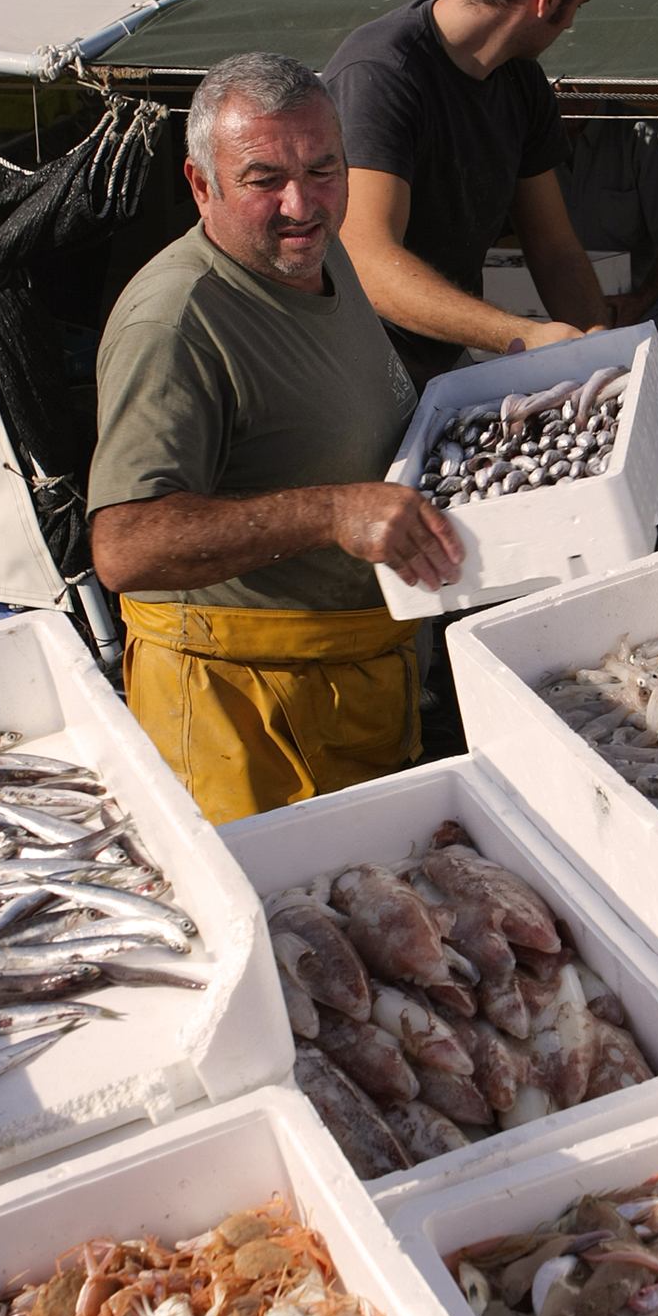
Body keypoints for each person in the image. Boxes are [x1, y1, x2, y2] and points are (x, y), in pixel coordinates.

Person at [87, 53, 462, 823]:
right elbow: (124, 546)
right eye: (264, 181)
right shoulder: (177, 321)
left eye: (324, 169)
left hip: (350, 693)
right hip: (249, 731)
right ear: (202, 185)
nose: (303, 204)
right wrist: (332, 513)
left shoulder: (325, 259)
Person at [326, 0, 616, 388]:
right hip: (356, 377)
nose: (571, 26)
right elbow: (367, 260)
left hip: (444, 366)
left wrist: (600, 350)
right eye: (580, 5)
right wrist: (520, 335)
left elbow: (555, 248)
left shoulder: (521, 82)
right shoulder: (382, 72)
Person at [563, 114, 658, 341]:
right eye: (554, 79)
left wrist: (640, 300)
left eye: (576, 79)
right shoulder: (533, 132)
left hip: (634, 320)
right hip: (556, 324)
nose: (564, 86)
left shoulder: (640, 135)